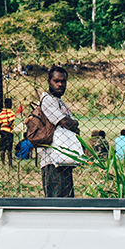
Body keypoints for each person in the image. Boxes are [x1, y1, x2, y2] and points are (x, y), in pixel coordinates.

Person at [37, 65, 83, 197]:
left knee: (67, 200)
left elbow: (70, 125)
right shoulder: (48, 100)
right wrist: (74, 124)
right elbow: (64, 122)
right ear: (49, 82)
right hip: (52, 161)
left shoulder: (60, 102)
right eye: (56, 81)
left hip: (63, 159)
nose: (60, 84)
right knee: (58, 202)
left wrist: (72, 125)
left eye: (63, 81)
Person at [0, 98, 16, 165]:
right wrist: (6, 124)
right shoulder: (11, 113)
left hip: (2, 131)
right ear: (9, 104)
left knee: (2, 148)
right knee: (9, 149)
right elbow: (10, 123)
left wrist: (1, 129)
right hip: (9, 132)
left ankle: (3, 163)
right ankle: (10, 163)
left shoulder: (1, 113)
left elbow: (0, 124)